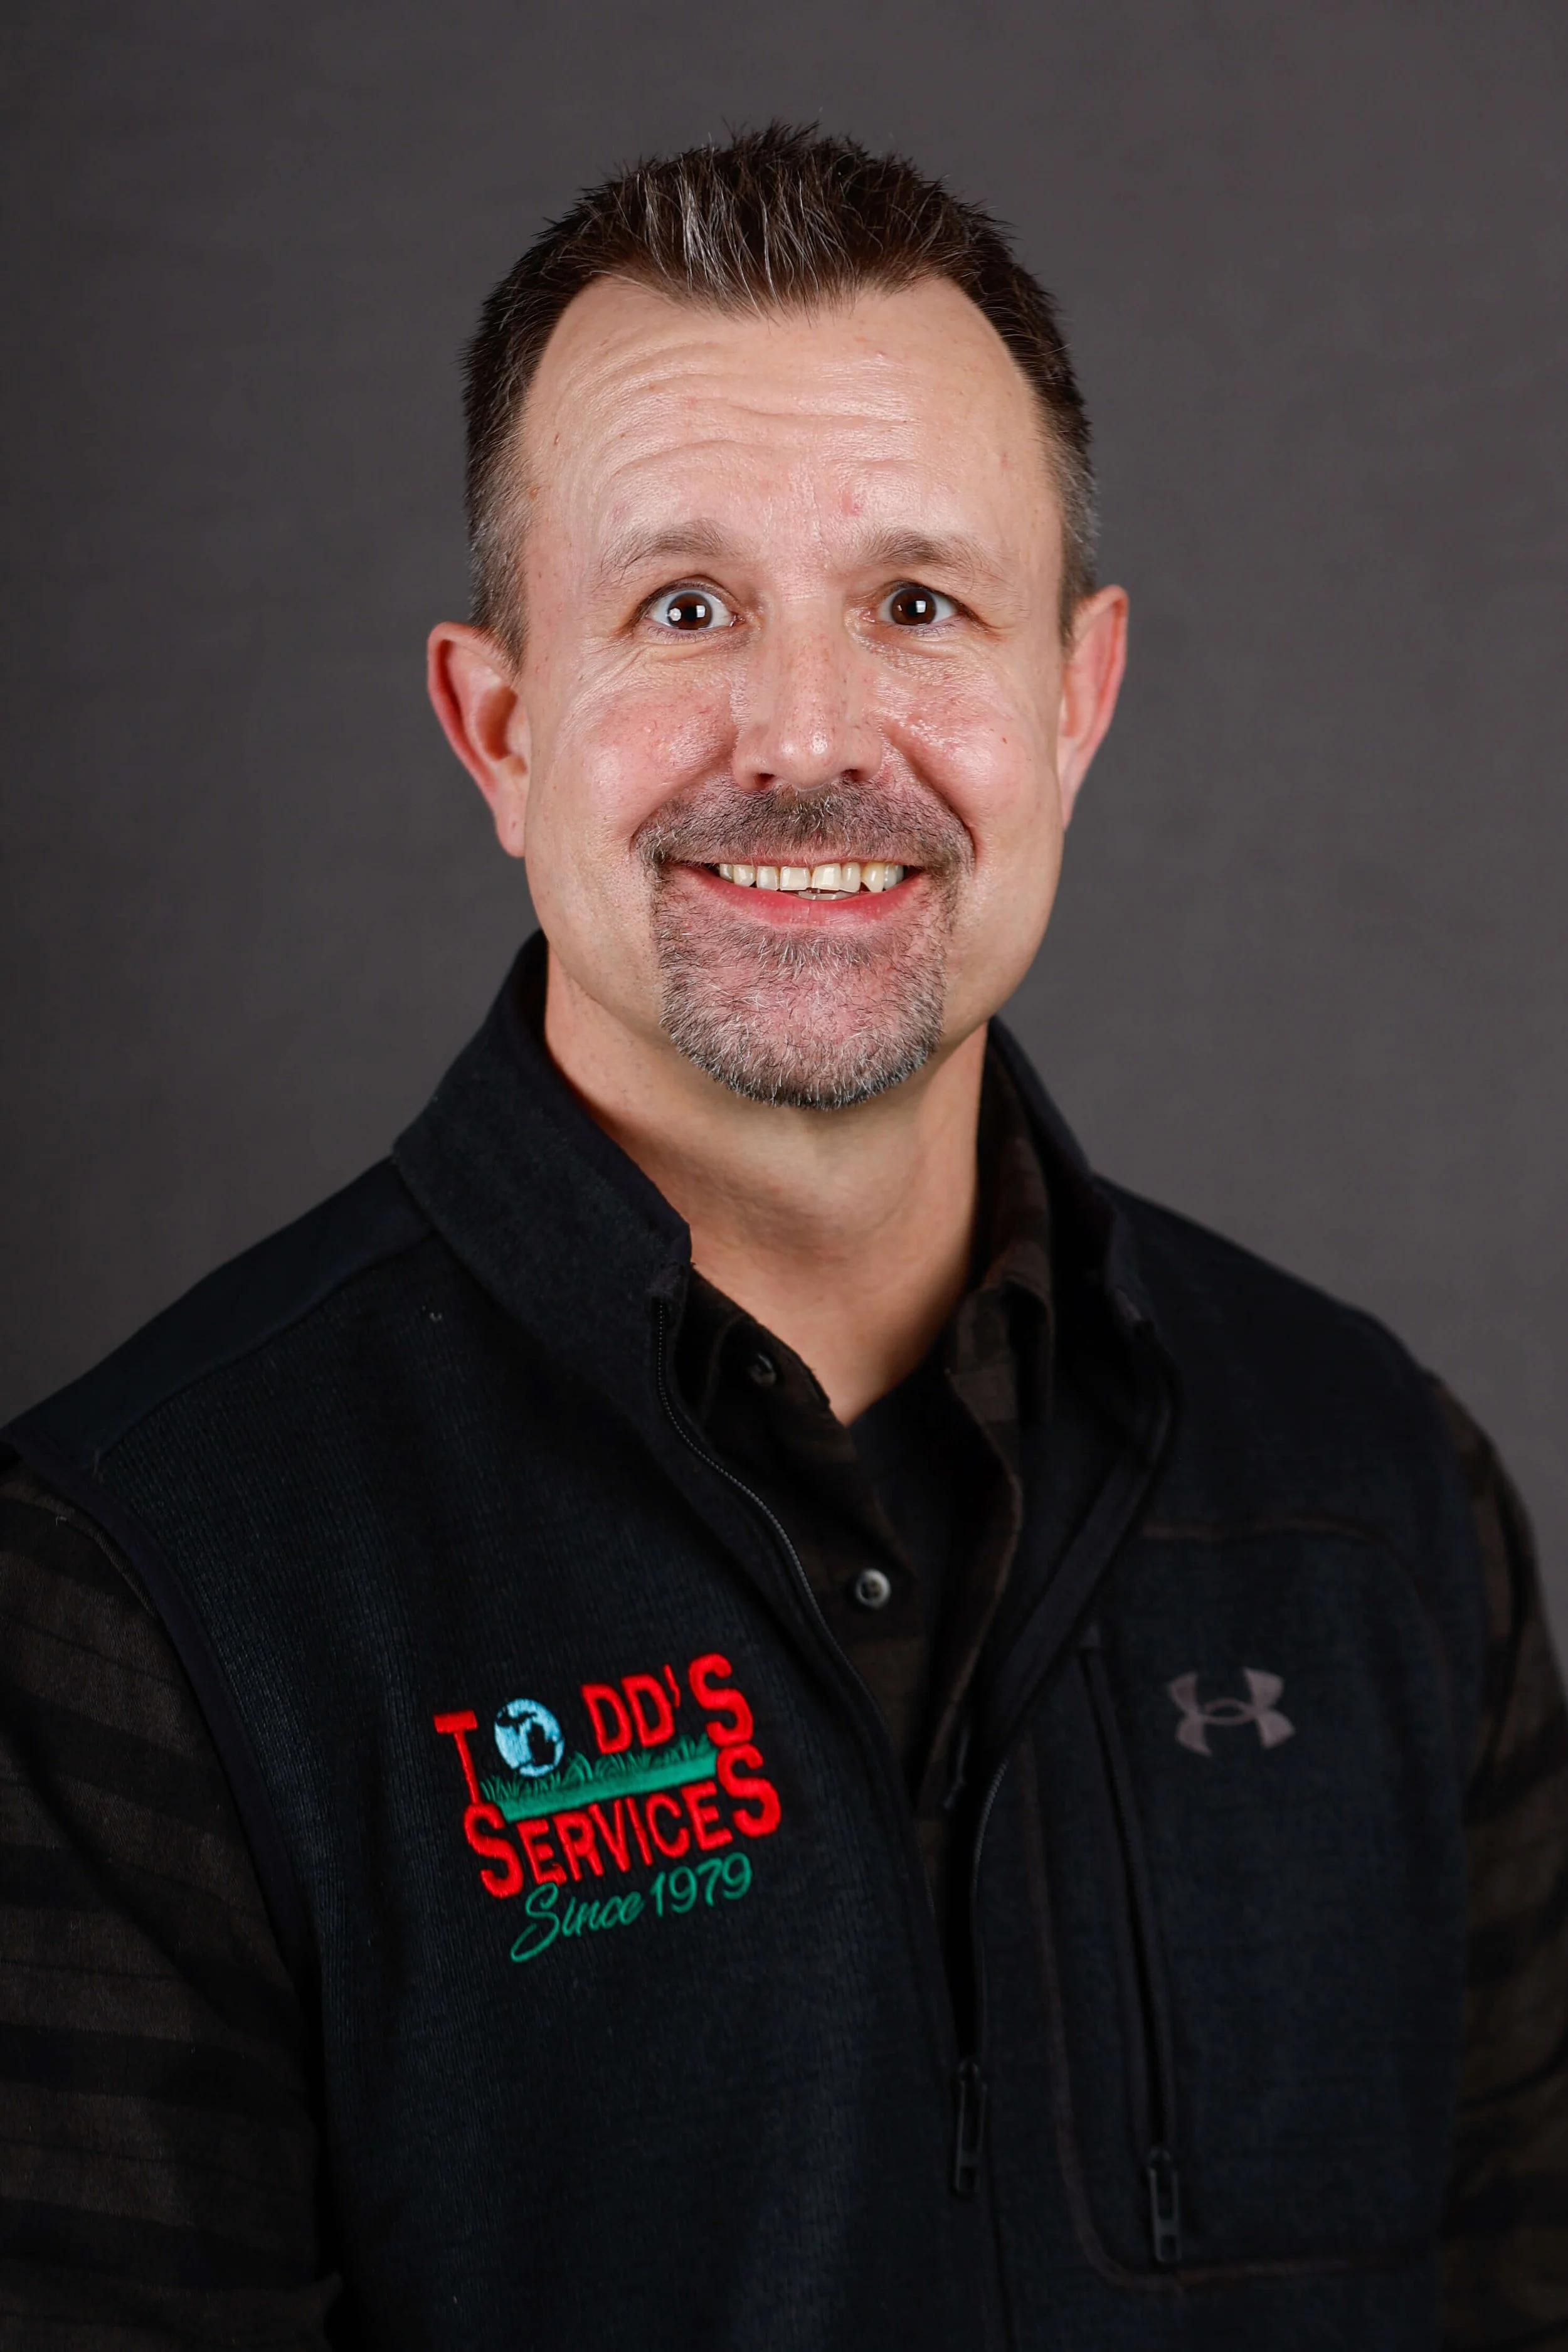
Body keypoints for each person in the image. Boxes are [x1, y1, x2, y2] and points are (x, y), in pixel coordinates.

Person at [1, 124, 1564, 2352]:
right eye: (683, 606)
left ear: (1073, 700)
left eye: (918, 604)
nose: (811, 738)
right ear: (499, 726)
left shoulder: (1379, 1496)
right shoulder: (138, 1582)